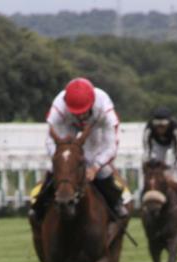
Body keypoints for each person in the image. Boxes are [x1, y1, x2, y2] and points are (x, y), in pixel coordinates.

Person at [30, 77, 128, 222]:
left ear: (93, 102)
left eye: (84, 111)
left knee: (103, 171)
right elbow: (50, 140)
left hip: (94, 131)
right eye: (76, 111)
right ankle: (39, 207)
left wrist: (95, 167)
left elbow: (111, 145)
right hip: (68, 129)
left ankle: (116, 204)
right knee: (53, 170)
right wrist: (61, 161)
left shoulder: (105, 108)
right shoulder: (58, 107)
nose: (80, 115)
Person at [143, 106, 177, 226]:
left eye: (163, 126)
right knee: (154, 173)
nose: (160, 129)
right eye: (158, 126)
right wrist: (149, 167)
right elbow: (147, 150)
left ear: (168, 124)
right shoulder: (148, 129)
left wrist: (171, 173)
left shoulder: (176, 129)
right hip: (158, 146)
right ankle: (149, 204)